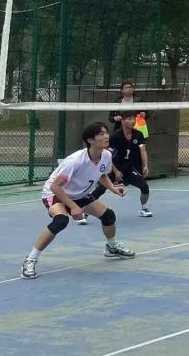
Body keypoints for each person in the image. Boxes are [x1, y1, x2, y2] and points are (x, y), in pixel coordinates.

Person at [21, 122, 135, 279]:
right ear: (90, 140)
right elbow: (55, 186)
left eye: (106, 132)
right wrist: (73, 206)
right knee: (61, 221)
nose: (106, 136)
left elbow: (101, 174)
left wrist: (113, 188)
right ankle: (30, 259)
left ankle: (111, 247)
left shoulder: (106, 155)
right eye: (101, 134)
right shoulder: (75, 161)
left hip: (79, 194)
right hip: (55, 193)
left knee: (108, 216)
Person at [108, 111, 153, 218]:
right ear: (123, 121)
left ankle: (143, 208)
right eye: (129, 119)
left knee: (144, 187)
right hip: (114, 168)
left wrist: (145, 165)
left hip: (128, 169)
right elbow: (107, 156)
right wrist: (115, 171)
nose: (133, 121)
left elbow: (143, 151)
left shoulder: (138, 134)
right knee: (100, 190)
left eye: (134, 119)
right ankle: (85, 213)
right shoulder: (116, 135)